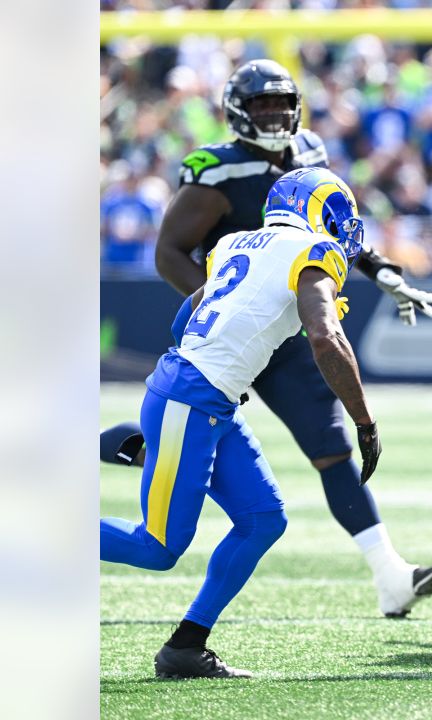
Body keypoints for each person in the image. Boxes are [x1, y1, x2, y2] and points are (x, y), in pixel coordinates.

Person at [98, 60, 432, 617]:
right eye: (260, 105)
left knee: (327, 451)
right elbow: (169, 251)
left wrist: (380, 269)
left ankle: (390, 576)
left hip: (286, 326)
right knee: (168, 518)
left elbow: (332, 227)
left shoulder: (309, 151)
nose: (273, 114)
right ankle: (119, 449)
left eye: (280, 103)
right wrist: (221, 307)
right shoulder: (215, 168)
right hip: (234, 328)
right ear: (238, 111)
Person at [101, 168, 383, 678]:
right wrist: (363, 420)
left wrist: (221, 361)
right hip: (194, 398)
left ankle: (186, 646)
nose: (344, 227)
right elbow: (325, 337)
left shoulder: (234, 242)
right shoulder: (314, 251)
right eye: (338, 213)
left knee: (262, 519)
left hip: (206, 397)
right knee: (158, 547)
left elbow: (186, 316)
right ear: (313, 208)